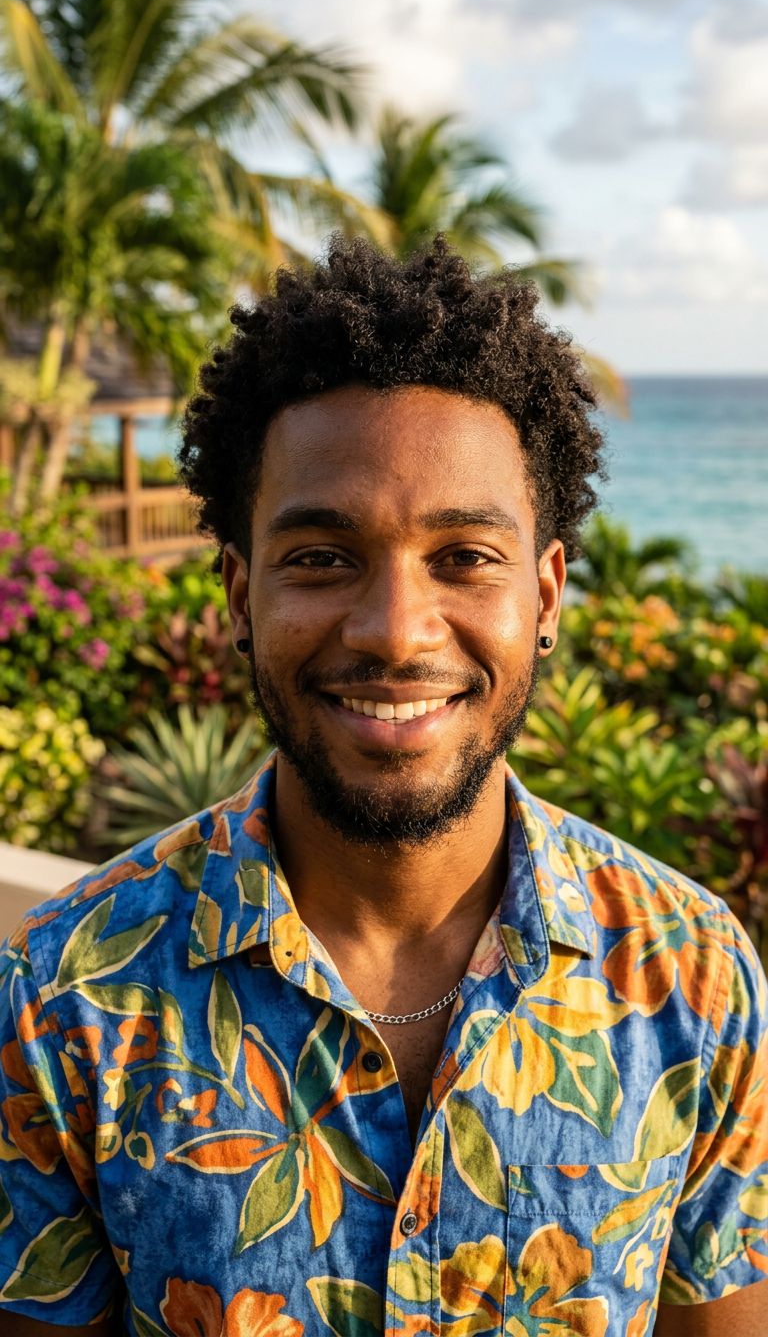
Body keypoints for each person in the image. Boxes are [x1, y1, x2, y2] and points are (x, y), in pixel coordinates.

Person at [0, 237, 765, 1337]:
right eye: (320, 556)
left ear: (544, 595)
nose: (395, 631)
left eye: (464, 555)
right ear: (239, 590)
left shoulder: (691, 978)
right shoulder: (66, 996)